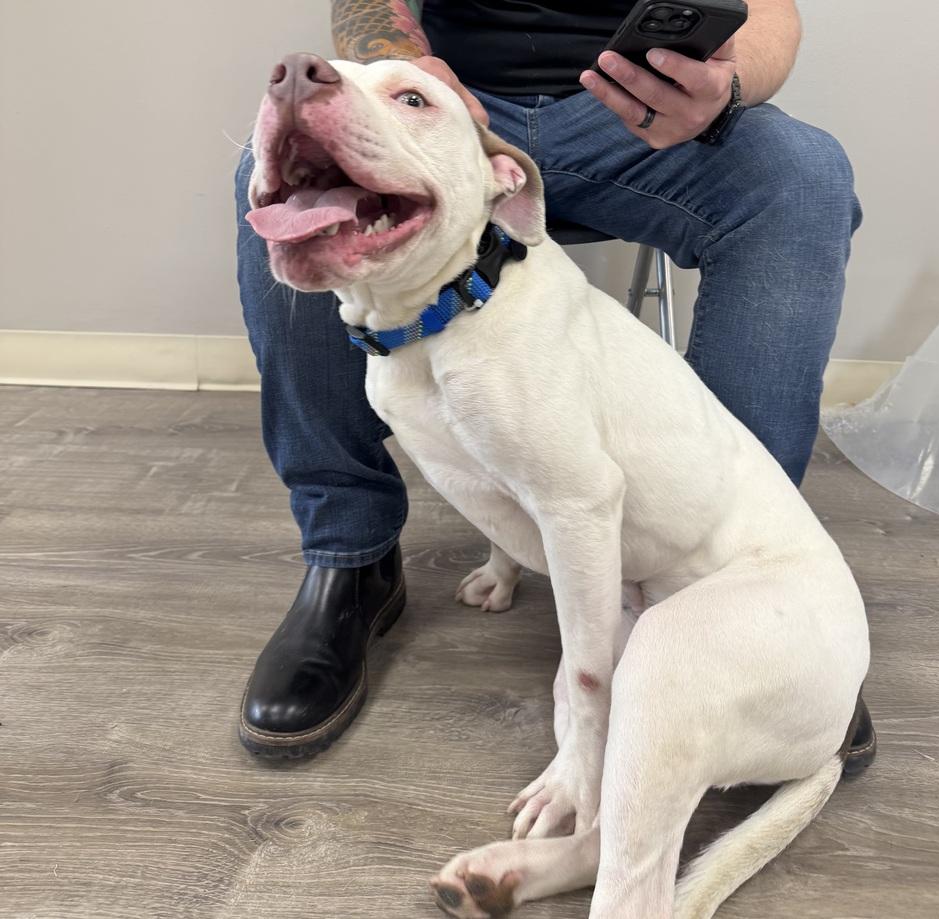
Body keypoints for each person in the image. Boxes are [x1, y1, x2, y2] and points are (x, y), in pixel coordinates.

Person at [235, 0, 871, 762]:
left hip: (629, 114)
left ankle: (751, 590)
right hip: (455, 99)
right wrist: (417, 82)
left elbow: (769, 14)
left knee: (803, 175)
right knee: (280, 186)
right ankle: (350, 558)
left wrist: (723, 89)